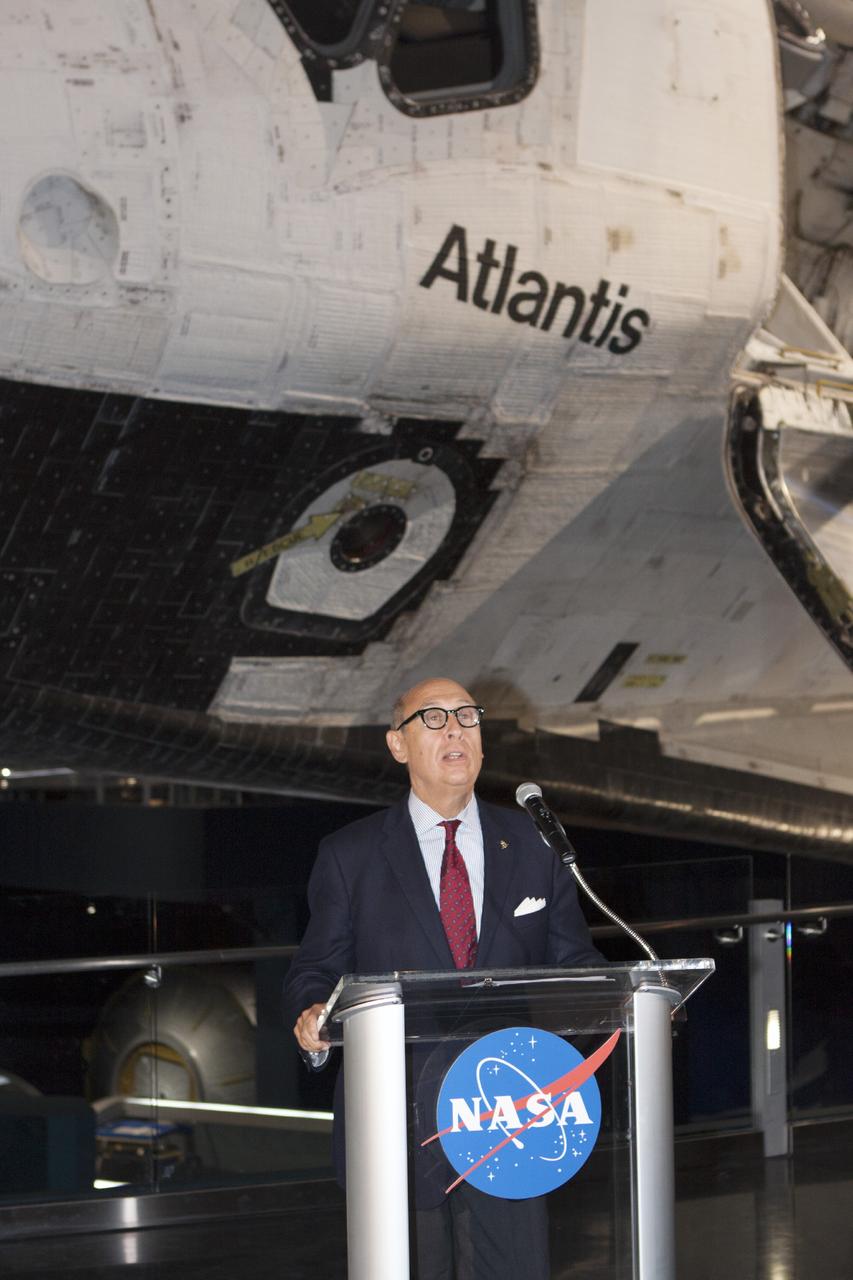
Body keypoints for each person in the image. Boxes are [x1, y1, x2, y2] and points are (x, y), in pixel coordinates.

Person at [284, 676, 605, 1279]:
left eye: (466, 716)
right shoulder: (349, 856)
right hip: (398, 1124)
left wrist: (630, 1001)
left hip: (511, 1118)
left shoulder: (536, 846)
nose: (455, 728)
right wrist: (312, 1017)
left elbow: (576, 967)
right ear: (397, 746)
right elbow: (316, 970)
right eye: (432, 718)